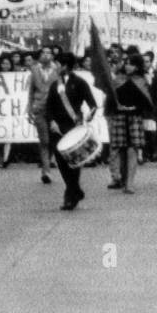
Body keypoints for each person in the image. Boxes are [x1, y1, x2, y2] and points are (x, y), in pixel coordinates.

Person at [46, 53, 97, 210]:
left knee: (73, 162)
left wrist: (90, 115)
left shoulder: (80, 83)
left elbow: (92, 104)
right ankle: (76, 189)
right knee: (61, 161)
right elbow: (49, 107)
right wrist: (52, 121)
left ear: (65, 65)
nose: (55, 67)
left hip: (73, 126)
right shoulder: (55, 84)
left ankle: (70, 196)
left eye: (58, 64)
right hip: (57, 127)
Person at [108, 54, 153, 194]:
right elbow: (110, 100)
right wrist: (117, 107)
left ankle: (130, 183)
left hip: (134, 117)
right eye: (126, 63)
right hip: (119, 117)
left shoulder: (142, 81)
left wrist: (135, 108)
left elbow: (147, 102)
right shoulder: (117, 80)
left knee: (132, 150)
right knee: (120, 150)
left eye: (132, 64)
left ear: (137, 66)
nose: (128, 66)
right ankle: (121, 178)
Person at [28, 46, 59, 185]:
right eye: (43, 53)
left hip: (55, 108)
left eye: (49, 52)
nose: (46, 55)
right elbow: (31, 90)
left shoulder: (58, 69)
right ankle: (46, 171)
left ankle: (50, 163)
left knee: (54, 139)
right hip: (39, 107)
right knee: (44, 140)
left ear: (53, 56)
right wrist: (29, 108)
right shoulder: (34, 70)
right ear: (40, 56)